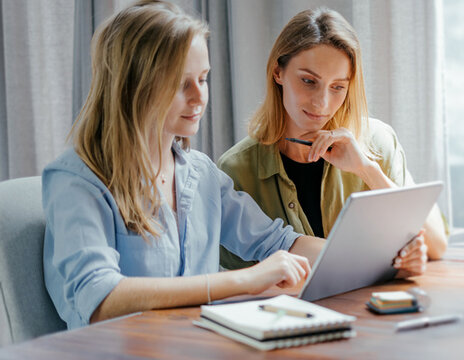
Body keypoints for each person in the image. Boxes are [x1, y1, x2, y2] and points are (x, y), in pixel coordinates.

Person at [42, 0, 324, 329]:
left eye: (203, 79)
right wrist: (245, 280)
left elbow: (277, 242)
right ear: (133, 86)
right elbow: (101, 300)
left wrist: (371, 260)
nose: (199, 96)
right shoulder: (77, 181)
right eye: (180, 83)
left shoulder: (200, 173)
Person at [217, 7, 448, 276]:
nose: (322, 103)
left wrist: (367, 169)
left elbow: (436, 244)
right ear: (277, 72)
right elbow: (240, 277)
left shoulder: (377, 143)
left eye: (338, 87)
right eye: (308, 81)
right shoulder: (236, 169)